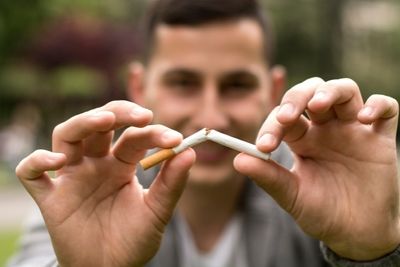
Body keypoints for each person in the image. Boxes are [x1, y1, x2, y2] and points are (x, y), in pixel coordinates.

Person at [7, 0, 400, 266]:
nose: (211, 117)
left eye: (237, 85)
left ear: (273, 89)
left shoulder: (320, 187)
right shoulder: (95, 192)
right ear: (140, 87)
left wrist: (371, 252)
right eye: (183, 83)